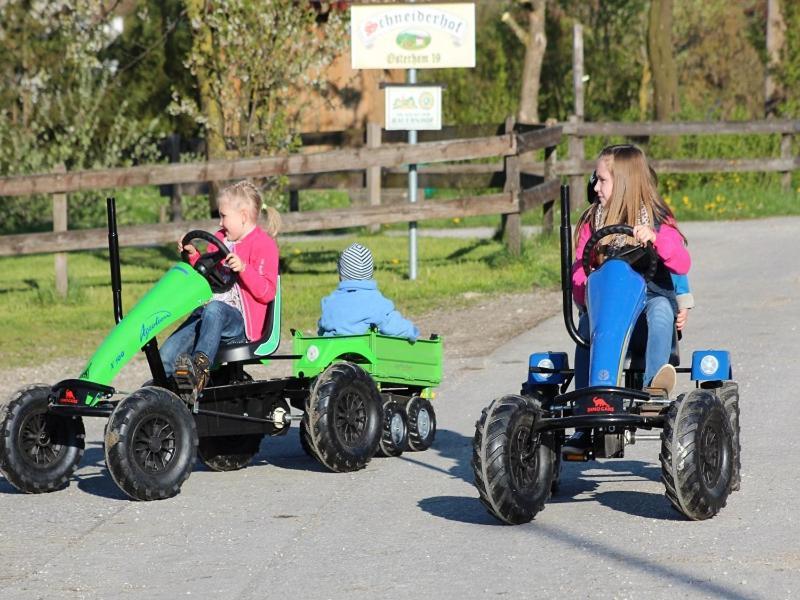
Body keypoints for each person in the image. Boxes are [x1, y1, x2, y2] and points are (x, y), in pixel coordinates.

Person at [565, 145, 691, 455]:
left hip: (645, 312)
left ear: (623, 182)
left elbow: (681, 263)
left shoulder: (659, 219)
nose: (595, 187)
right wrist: (584, 290)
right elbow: (579, 271)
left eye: (602, 180)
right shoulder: (592, 221)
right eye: (595, 180)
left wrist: (656, 239)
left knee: (662, 310)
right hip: (606, 312)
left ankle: (654, 392)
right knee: (584, 328)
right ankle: (585, 414)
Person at [160, 180, 281, 397]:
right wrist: (193, 257)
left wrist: (244, 269)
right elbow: (209, 275)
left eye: (224, 216)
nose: (220, 221)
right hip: (208, 313)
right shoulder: (219, 239)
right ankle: (171, 400)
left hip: (240, 324)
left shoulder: (264, 245)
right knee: (166, 357)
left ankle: (198, 373)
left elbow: (267, 292)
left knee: (215, 309)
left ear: (243, 216)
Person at [317, 242, 419, 340]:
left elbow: (322, 326)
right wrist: (411, 331)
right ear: (370, 273)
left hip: (332, 349)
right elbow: (394, 325)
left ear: (341, 275)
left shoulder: (330, 301)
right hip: (360, 351)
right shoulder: (376, 302)